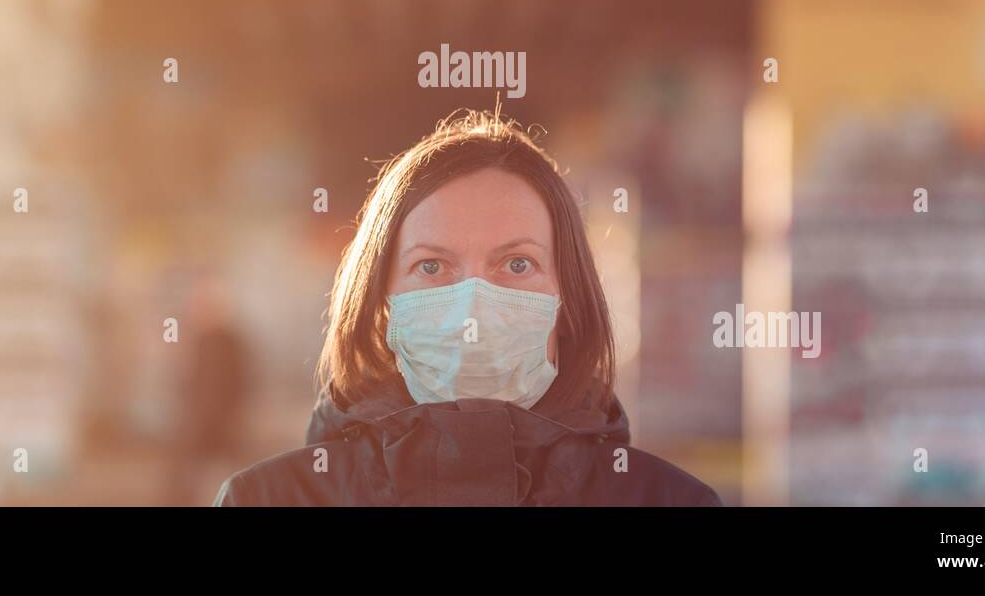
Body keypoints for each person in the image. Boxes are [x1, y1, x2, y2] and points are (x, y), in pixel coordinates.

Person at [213, 108, 722, 506]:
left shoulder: (671, 501)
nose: (473, 307)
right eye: (432, 267)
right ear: (380, 303)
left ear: (569, 300)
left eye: (517, 264)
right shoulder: (265, 500)